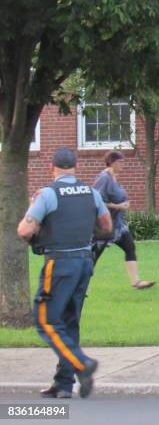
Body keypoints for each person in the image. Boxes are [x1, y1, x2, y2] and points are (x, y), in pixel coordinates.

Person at [17, 147, 112, 399]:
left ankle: (82, 364)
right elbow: (106, 225)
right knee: (69, 321)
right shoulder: (91, 192)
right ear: (75, 166)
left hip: (59, 263)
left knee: (47, 320)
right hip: (84, 262)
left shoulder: (48, 194)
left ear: (52, 167)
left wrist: (32, 209)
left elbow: (24, 231)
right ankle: (64, 383)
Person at [91, 151, 155, 289]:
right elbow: (96, 201)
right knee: (93, 257)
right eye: (121, 162)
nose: (123, 165)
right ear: (112, 162)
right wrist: (117, 206)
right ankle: (80, 285)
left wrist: (123, 204)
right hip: (105, 226)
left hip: (118, 225)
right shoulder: (104, 178)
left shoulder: (114, 177)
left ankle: (136, 282)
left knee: (129, 247)